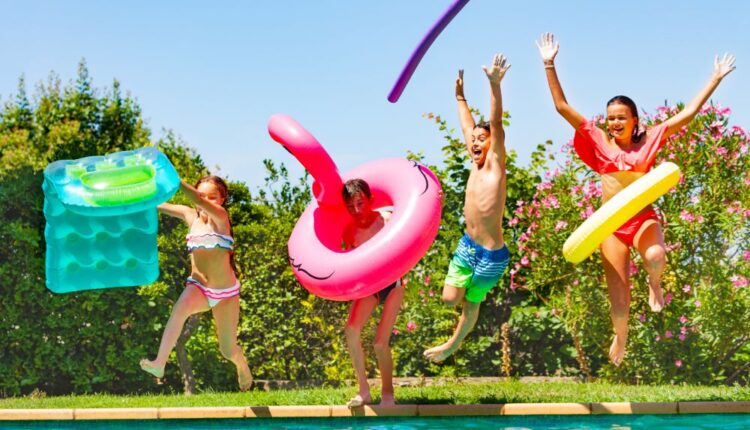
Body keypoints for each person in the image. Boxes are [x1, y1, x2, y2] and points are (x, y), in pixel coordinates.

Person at [537, 32, 736, 365]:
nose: (614, 123)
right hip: (611, 227)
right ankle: (621, 336)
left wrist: (714, 79)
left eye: (621, 117)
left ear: (634, 121)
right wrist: (548, 63)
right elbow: (562, 107)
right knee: (619, 301)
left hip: (642, 219)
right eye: (611, 117)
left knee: (655, 256)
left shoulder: (650, 139)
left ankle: (654, 283)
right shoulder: (599, 140)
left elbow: (688, 114)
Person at [423, 53, 512, 363]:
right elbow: (466, 126)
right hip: (467, 246)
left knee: (471, 305)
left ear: (493, 144)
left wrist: (494, 85)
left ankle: (452, 345)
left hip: (492, 255)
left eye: (481, 139)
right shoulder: (475, 164)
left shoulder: (495, 165)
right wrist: (460, 98)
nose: (474, 142)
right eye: (473, 139)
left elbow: (495, 123)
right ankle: (454, 339)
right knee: (450, 299)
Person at [140, 176, 253, 390]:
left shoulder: (220, 217)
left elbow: (198, 200)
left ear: (222, 199)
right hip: (198, 287)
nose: (207, 201)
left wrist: (175, 179)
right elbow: (157, 205)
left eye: (213, 197)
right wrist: (135, 197)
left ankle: (241, 364)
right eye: (203, 195)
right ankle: (159, 363)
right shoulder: (190, 216)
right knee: (179, 310)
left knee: (227, 350)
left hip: (225, 294)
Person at [341, 179, 404, 407]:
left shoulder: (387, 220)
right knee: (351, 330)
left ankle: (387, 393)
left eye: (360, 203)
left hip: (393, 284)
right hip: (370, 287)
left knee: (379, 343)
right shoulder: (350, 232)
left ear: (370, 199)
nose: (357, 210)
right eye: (350, 206)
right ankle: (364, 391)